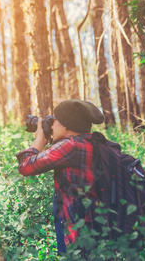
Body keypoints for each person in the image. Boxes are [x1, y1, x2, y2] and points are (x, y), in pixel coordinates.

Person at [15, 99, 105, 254]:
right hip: (99, 231)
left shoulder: (70, 146)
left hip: (76, 236)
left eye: (54, 120)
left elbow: (25, 166)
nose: (51, 125)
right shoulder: (94, 143)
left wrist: (39, 140)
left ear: (65, 125)